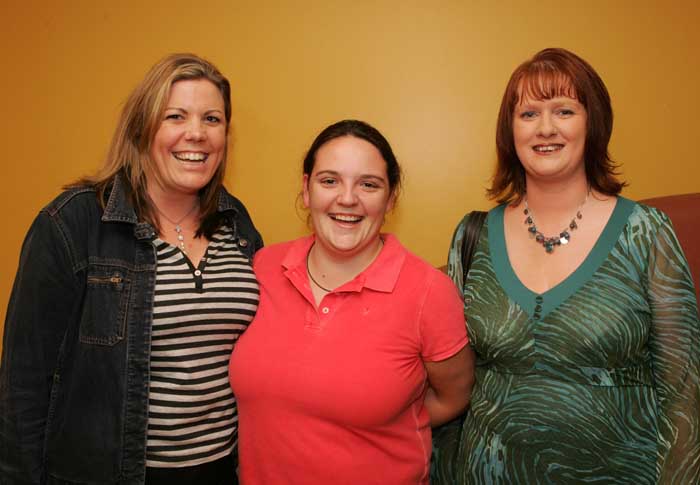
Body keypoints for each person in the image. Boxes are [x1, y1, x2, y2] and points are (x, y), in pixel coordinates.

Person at [438, 48, 700, 484]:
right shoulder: (472, 236)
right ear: (510, 131)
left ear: (591, 122)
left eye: (563, 110)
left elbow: (684, 392)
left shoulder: (645, 232)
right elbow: (453, 388)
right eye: (528, 114)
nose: (545, 128)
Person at [0, 53, 262, 484]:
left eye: (212, 119)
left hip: (221, 471)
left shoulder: (238, 223)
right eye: (175, 116)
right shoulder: (73, 222)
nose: (196, 134)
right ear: (142, 128)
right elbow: (23, 387)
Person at [229, 119, 475, 484]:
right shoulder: (262, 268)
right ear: (306, 189)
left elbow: (454, 397)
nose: (347, 198)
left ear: (391, 198)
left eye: (368, 184)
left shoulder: (428, 292)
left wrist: (382, 422)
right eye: (329, 181)